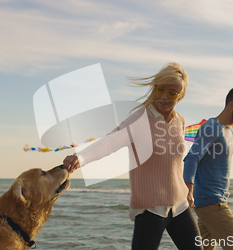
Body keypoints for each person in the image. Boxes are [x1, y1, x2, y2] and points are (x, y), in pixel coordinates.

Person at [64, 62, 203, 250]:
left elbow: (174, 162)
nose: (163, 96)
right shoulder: (140, 119)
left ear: (181, 96)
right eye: (160, 89)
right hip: (150, 210)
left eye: (172, 93)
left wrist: (188, 190)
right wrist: (80, 157)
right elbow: (110, 141)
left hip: (180, 206)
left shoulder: (179, 120)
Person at [183, 87, 233, 250]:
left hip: (211, 202)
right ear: (231, 105)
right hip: (212, 201)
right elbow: (191, 158)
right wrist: (188, 190)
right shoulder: (212, 127)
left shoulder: (228, 131)